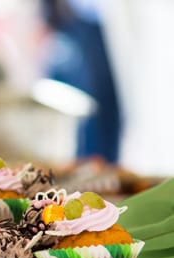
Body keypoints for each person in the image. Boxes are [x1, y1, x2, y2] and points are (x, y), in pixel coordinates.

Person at [41, 0, 121, 164]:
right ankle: (91, 170)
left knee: (108, 108)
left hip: (101, 21)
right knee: (92, 111)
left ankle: (101, 169)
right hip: (79, 19)